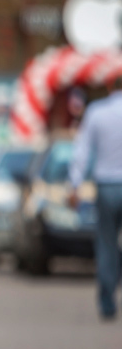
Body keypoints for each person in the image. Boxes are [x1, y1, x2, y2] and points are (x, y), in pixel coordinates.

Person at [69, 76, 122, 322]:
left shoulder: (97, 112)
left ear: (111, 87)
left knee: (107, 245)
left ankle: (107, 301)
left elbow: (82, 150)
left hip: (107, 186)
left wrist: (74, 185)